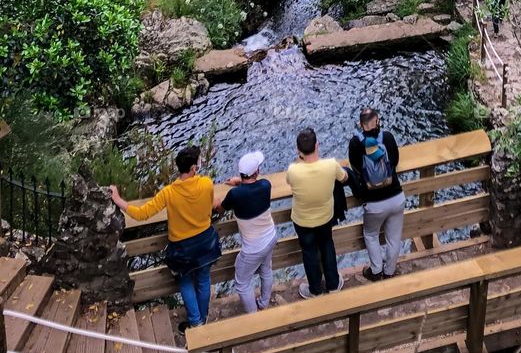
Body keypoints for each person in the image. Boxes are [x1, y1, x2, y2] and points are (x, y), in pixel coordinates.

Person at [111, 146, 220, 331]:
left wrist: (118, 200)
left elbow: (142, 213)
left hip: (183, 249)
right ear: (194, 168)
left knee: (185, 281)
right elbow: (211, 205)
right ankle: (203, 318)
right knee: (203, 279)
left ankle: (196, 323)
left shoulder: (169, 193)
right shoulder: (207, 184)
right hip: (205, 244)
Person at [286, 127, 348, 299]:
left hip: (302, 220)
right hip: (325, 217)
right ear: (317, 145)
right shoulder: (330, 165)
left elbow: (289, 183)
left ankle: (315, 289)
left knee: (309, 252)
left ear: (298, 151)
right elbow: (344, 178)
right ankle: (333, 284)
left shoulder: (293, 170)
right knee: (327, 246)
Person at [348, 108, 404, 282]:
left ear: (361, 124)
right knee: (393, 238)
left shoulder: (355, 143)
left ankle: (376, 270)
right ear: (377, 120)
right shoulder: (387, 137)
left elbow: (356, 168)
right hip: (396, 196)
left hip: (374, 203)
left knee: (371, 235)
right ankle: (389, 271)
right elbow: (394, 161)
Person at [216, 151, 276, 314]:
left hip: (253, 248)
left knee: (242, 283)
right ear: (256, 172)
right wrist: (240, 183)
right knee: (266, 269)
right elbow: (251, 190)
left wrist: (236, 185)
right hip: (270, 236)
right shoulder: (266, 186)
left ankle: (253, 317)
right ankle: (263, 303)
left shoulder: (235, 194)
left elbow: (221, 208)